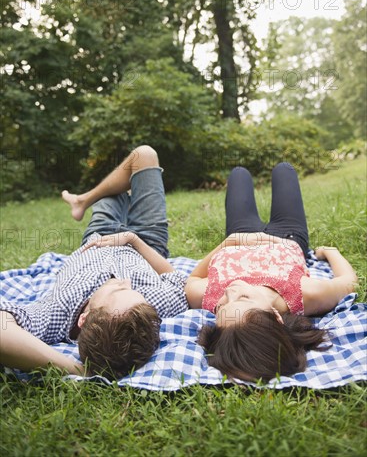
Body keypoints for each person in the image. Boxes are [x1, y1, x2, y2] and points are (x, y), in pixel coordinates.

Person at [0, 146, 188, 379]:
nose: (125, 281)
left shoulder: (57, 313)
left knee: (116, 192)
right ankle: (84, 199)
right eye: (132, 290)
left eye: (116, 290)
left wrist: (77, 369)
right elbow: (176, 280)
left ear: (84, 317)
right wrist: (134, 241)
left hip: (100, 232)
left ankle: (83, 200)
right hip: (146, 241)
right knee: (144, 155)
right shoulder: (147, 310)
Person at [185, 163, 358, 382]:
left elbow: (193, 279)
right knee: (284, 169)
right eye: (243, 297)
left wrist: (229, 243)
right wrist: (330, 252)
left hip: (240, 235)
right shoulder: (306, 294)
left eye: (221, 305)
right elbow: (349, 282)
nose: (231, 289)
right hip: (287, 236)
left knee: (239, 174)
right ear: (276, 317)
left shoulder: (206, 296)